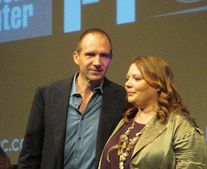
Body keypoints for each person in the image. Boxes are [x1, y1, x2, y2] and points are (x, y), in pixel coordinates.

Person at [17, 28, 127, 169]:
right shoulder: (48, 94)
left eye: (104, 56)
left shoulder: (122, 99)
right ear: (76, 57)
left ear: (110, 59)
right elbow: (30, 155)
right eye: (90, 54)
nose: (97, 62)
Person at [99, 56, 207, 169]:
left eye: (136, 78)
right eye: (128, 78)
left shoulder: (179, 125)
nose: (127, 84)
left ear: (157, 84)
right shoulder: (126, 121)